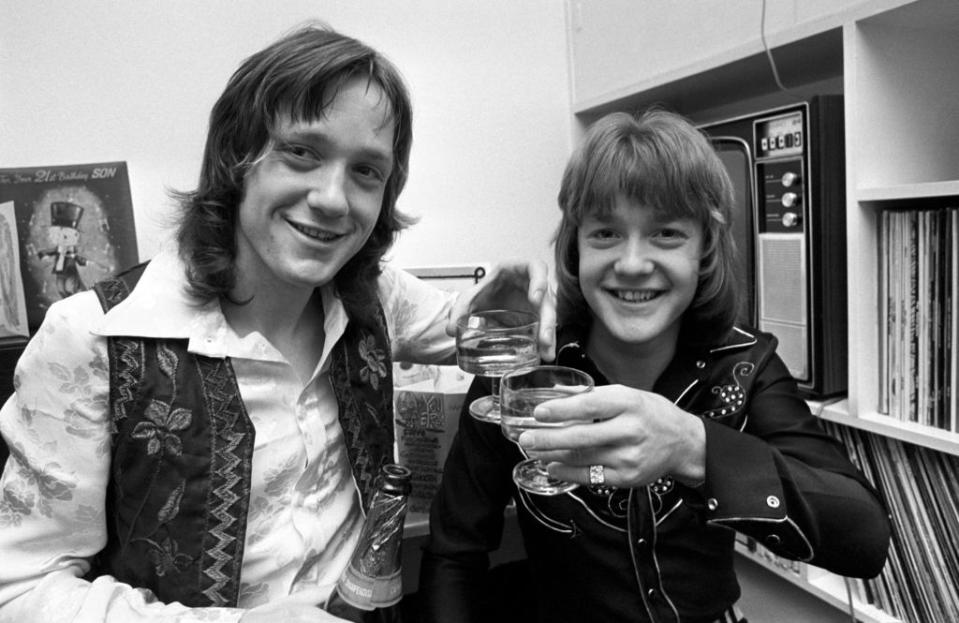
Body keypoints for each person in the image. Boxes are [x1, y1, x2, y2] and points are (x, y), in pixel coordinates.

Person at [0, 24, 553, 623]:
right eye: (302, 153)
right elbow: (22, 590)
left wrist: (503, 298)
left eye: (366, 170)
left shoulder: (373, 296)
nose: (334, 199)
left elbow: (460, 331)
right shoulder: (90, 339)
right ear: (236, 157)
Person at [419, 109, 891, 623]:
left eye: (666, 233)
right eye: (605, 233)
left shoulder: (743, 366)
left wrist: (693, 447)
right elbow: (454, 554)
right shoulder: (524, 375)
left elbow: (864, 536)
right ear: (575, 246)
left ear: (705, 246)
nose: (632, 263)